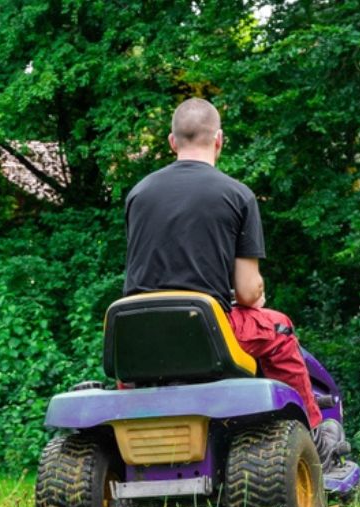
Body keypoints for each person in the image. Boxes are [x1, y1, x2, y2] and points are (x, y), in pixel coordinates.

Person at [124, 97, 346, 465]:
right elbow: (246, 291)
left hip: (140, 337)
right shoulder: (237, 195)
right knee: (278, 328)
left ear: (171, 142)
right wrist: (253, 296)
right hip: (206, 332)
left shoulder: (138, 194)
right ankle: (313, 437)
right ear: (219, 140)